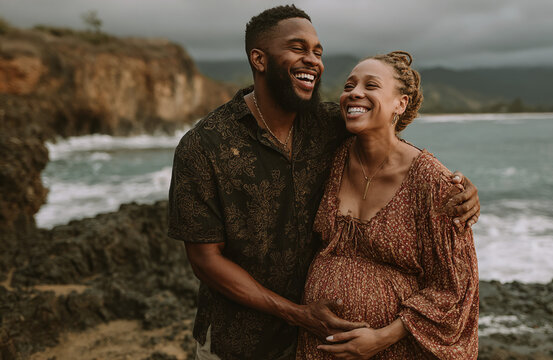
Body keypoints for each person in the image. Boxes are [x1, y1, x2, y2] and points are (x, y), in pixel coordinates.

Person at [167, 5, 480, 360]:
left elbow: (385, 138)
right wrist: (297, 313)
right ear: (259, 59)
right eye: (298, 48)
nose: (313, 60)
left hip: (318, 344)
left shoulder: (328, 123)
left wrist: (455, 187)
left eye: (318, 52)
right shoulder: (204, 146)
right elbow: (205, 260)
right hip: (239, 339)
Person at [296, 52, 478, 359]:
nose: (355, 92)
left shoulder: (432, 182)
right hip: (319, 345)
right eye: (349, 85)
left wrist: (381, 338)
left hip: (391, 351)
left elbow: (456, 286)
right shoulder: (331, 155)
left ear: (400, 104)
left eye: (371, 85)